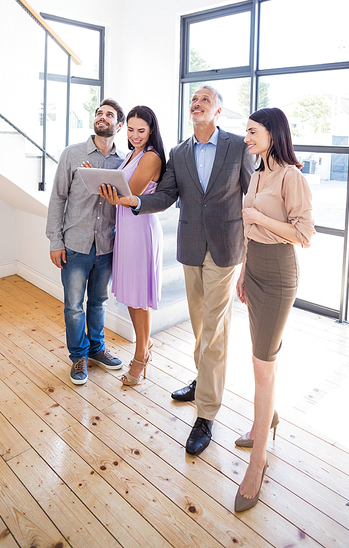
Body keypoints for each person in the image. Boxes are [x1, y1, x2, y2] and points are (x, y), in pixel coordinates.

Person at [105, 86, 254, 455]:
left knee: (215, 329)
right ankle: (203, 379)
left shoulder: (237, 147)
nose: (197, 104)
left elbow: (251, 197)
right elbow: (166, 195)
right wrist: (134, 201)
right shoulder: (180, 152)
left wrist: (249, 257)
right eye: (194, 100)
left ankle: (206, 413)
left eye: (205, 100)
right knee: (201, 323)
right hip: (190, 247)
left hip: (226, 248)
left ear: (218, 110)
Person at [233, 107, 315, 513]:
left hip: (281, 272)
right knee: (262, 360)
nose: (246, 138)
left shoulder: (290, 177)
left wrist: (260, 216)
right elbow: (250, 229)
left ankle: (258, 460)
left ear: (272, 133)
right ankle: (266, 421)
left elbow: (304, 235)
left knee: (263, 364)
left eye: (252, 132)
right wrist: (244, 271)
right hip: (256, 270)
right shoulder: (259, 174)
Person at [46, 99, 125, 385]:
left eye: (109, 115)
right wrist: (55, 241)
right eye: (99, 113)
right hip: (75, 245)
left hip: (106, 246)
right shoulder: (72, 154)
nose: (102, 117)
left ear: (119, 125)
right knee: (74, 306)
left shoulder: (123, 162)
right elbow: (58, 198)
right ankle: (78, 356)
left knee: (99, 302)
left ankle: (97, 350)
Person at [98, 106, 166, 385]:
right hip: (125, 227)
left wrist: (106, 189)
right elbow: (119, 189)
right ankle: (144, 347)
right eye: (131, 129)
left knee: (139, 297)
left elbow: (131, 193)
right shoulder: (130, 155)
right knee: (131, 295)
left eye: (141, 130)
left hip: (141, 229)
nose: (135, 135)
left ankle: (142, 354)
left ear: (151, 131)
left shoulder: (151, 156)